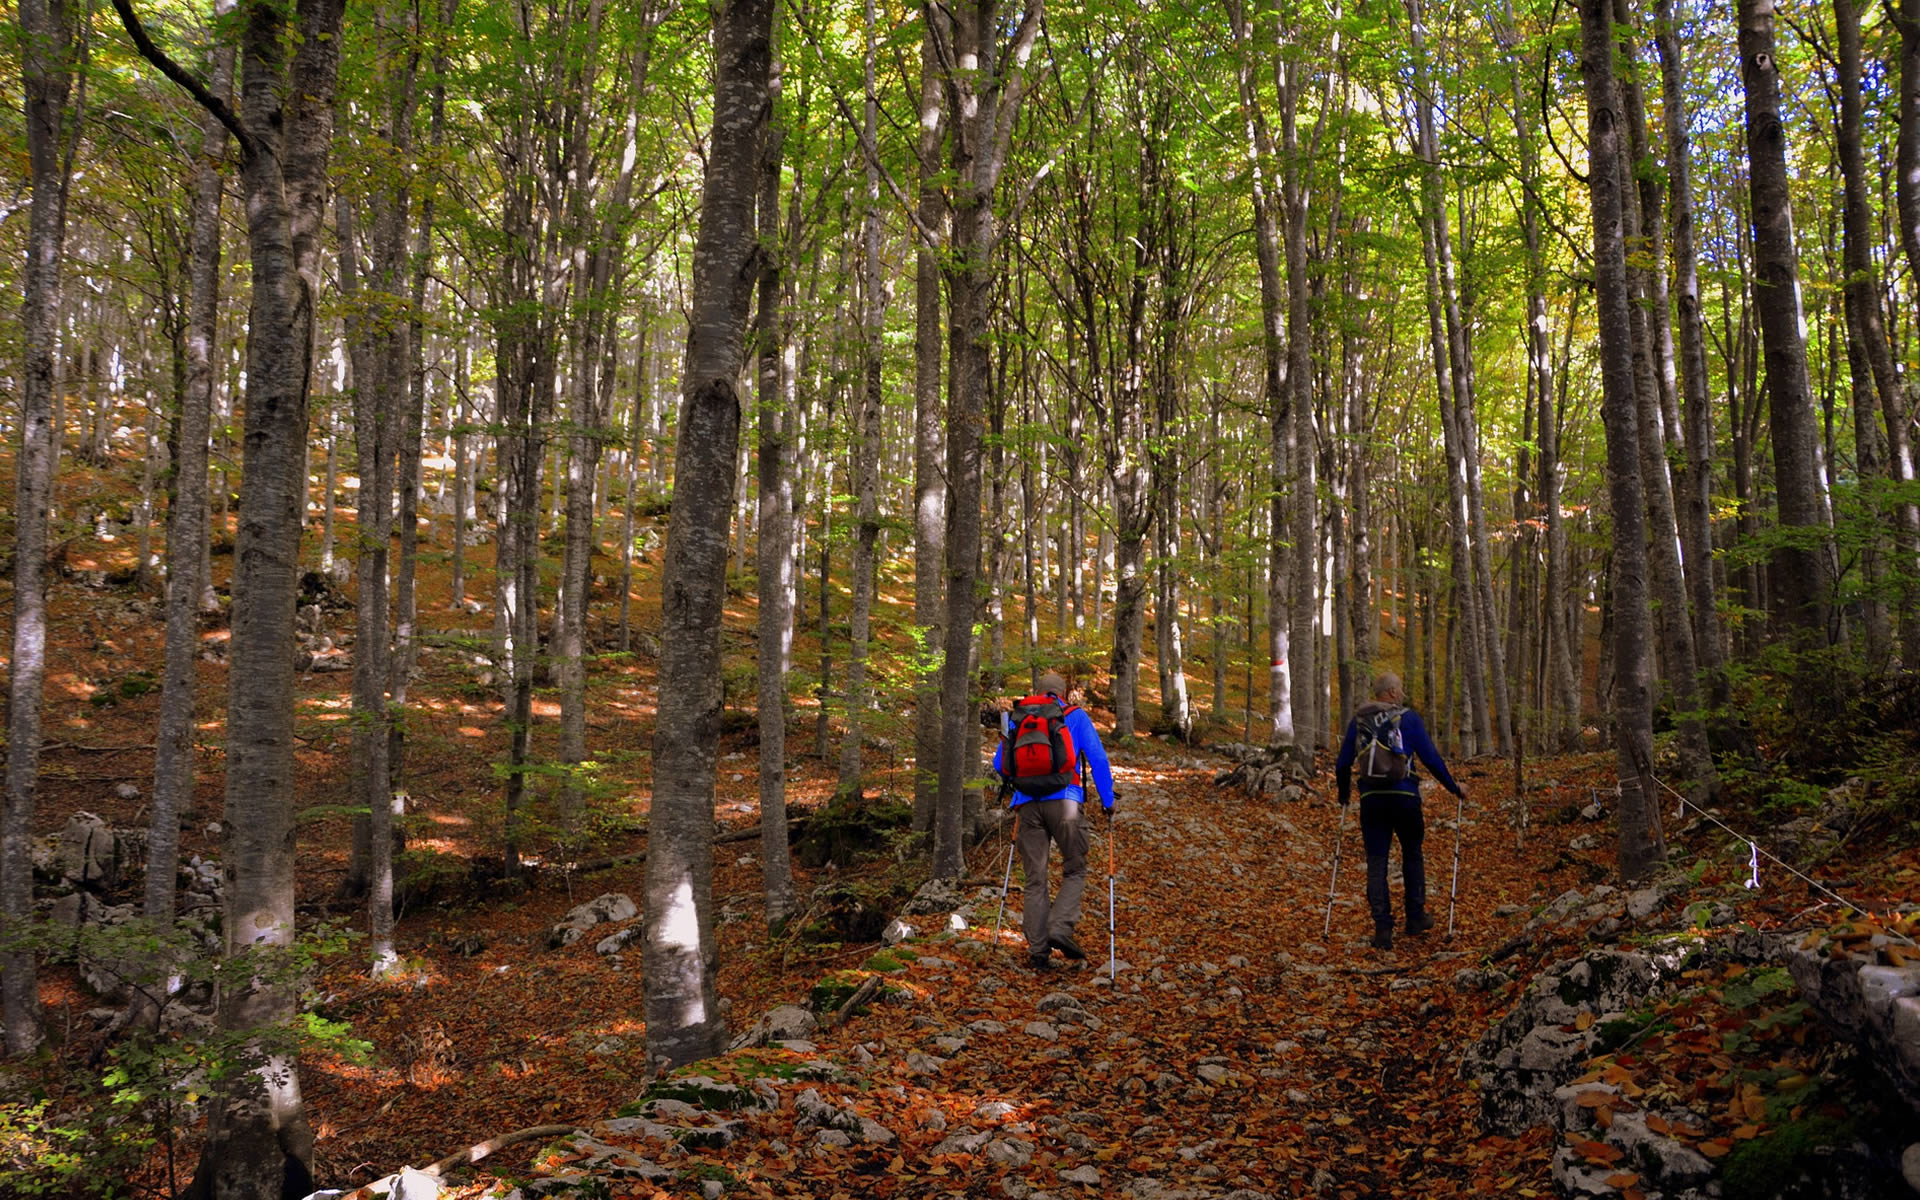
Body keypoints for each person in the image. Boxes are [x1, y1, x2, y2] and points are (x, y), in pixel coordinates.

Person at [991, 672, 1116, 970]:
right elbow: (1098, 759)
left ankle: (1038, 951)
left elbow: (999, 763)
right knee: (1074, 868)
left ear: (1037, 692)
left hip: (1027, 805)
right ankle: (1060, 927)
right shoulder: (1075, 716)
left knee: (1035, 878)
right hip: (1067, 804)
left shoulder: (1019, 718)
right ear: (1064, 693)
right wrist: (1108, 801)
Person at [1333, 671, 1465, 950]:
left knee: (1377, 862)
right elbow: (1430, 758)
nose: (1403, 693)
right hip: (1405, 796)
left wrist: (1344, 795)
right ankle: (1415, 917)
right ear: (1391, 692)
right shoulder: (1408, 718)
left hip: (1372, 800)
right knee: (1412, 854)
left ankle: (1383, 929)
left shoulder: (1360, 720)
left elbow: (1343, 763)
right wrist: (1453, 788)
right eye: (1401, 689)